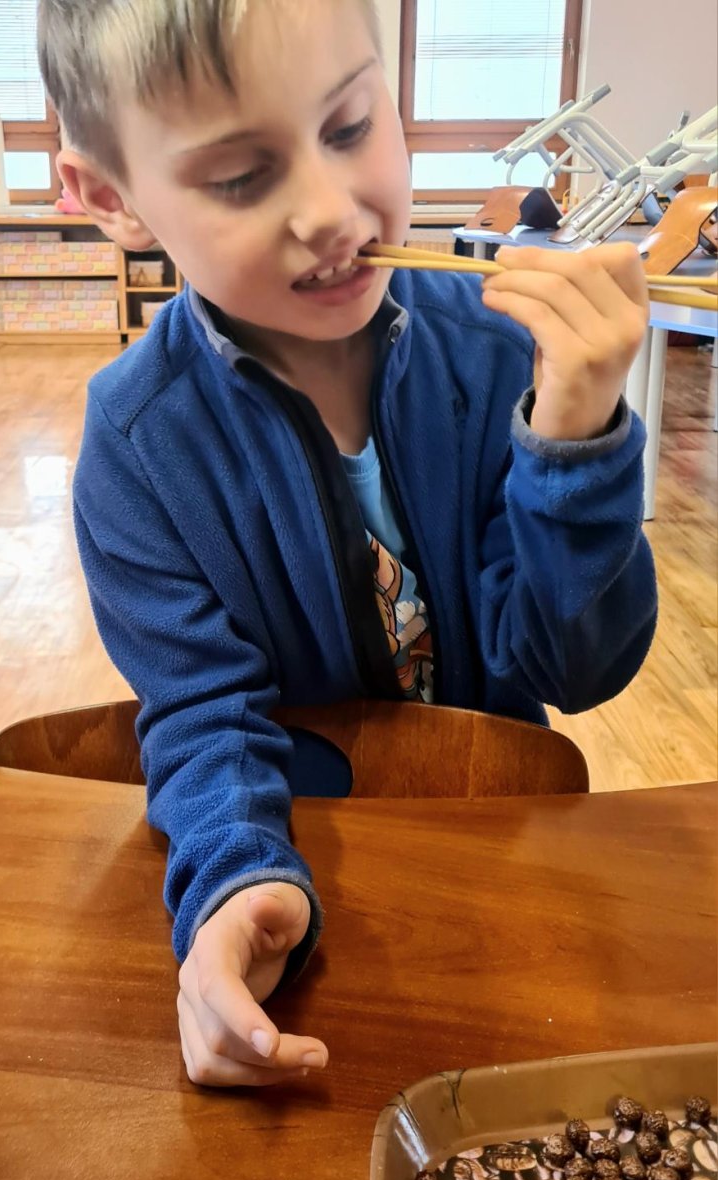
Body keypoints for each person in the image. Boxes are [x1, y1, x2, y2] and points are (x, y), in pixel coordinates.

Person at [37, 0, 657, 1089]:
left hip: (500, 851)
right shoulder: (139, 444)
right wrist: (238, 883)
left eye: (350, 126)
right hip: (305, 874)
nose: (329, 212)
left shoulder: (493, 353)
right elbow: (203, 716)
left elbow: (573, 669)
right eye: (242, 177)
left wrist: (577, 443)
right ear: (110, 197)